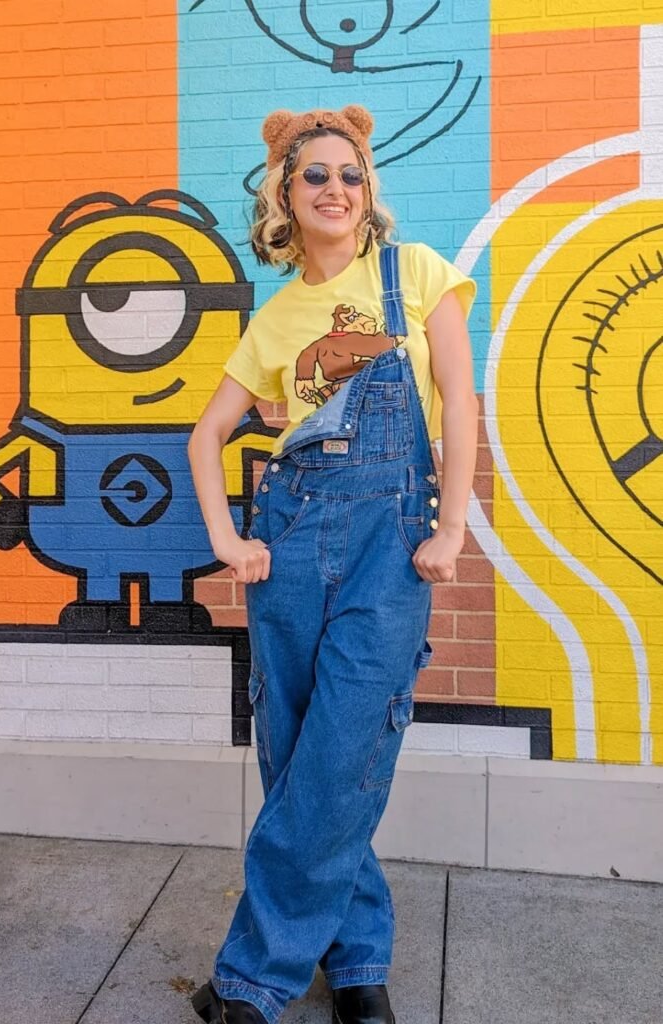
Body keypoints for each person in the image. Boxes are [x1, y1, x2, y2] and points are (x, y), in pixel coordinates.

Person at [187, 105, 478, 1024]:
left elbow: (461, 405)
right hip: (291, 543)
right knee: (296, 757)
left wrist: (451, 527)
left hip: (390, 547)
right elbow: (207, 435)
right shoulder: (276, 319)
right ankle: (355, 964)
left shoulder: (415, 274)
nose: (335, 189)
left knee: (345, 752)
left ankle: (251, 978)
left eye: (349, 174)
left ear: (367, 190)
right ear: (285, 192)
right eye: (314, 175)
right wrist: (229, 543)